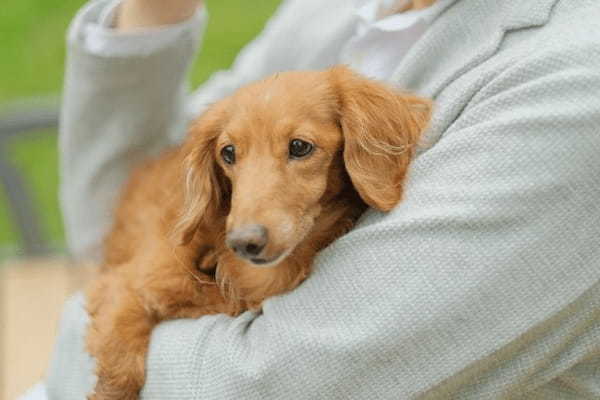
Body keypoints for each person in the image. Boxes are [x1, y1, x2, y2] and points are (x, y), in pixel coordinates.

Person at [24, 0, 600, 398]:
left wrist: (82, 344)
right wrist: (155, 11)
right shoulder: (328, 8)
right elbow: (114, 222)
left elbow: (281, 384)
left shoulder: (576, 77)